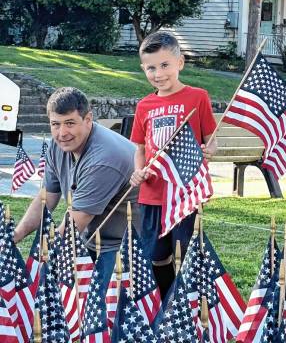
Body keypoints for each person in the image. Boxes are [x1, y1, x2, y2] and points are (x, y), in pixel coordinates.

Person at [129, 31, 217, 298]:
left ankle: (187, 304)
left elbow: (211, 139)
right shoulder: (145, 105)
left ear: (180, 63)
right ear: (144, 68)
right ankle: (166, 301)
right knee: (154, 255)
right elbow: (140, 148)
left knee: (186, 255)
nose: (159, 73)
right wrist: (138, 171)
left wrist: (209, 149)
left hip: (184, 194)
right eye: (151, 68)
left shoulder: (198, 97)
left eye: (165, 65)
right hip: (152, 194)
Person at [14, 87, 140, 271]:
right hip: (90, 239)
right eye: (55, 124)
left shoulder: (103, 159)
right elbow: (46, 198)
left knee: (53, 286)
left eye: (70, 123)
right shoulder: (58, 146)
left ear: (88, 120)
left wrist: (39, 257)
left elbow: (73, 227)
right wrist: (16, 235)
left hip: (123, 248)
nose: (62, 133)